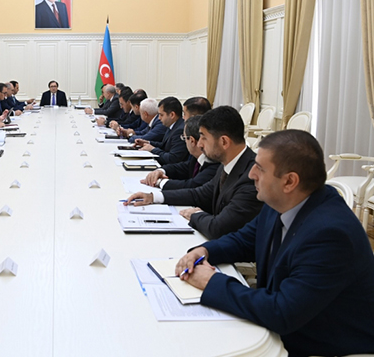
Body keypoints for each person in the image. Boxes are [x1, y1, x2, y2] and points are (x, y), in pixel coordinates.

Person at [175, 130, 374, 357]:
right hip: (286, 325)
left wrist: (211, 282)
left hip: (322, 345)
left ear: (289, 181)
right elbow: (245, 240)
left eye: (260, 168)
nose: (251, 174)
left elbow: (282, 312)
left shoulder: (330, 234)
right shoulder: (283, 201)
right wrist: (204, 250)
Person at [126, 106, 263, 239]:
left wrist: (196, 215)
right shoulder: (229, 162)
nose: (200, 144)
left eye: (204, 137)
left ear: (224, 142)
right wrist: (153, 197)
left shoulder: (252, 176)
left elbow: (218, 228)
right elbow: (199, 194)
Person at [141, 115, 219, 190]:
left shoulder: (213, 162)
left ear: (192, 141)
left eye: (184, 138)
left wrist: (159, 182)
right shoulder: (196, 158)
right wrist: (161, 171)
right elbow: (183, 167)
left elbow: (193, 186)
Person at [136, 97, 188, 165]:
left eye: (161, 115)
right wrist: (148, 143)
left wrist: (153, 149)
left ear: (172, 115)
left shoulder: (180, 130)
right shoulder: (172, 125)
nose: (159, 118)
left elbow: (172, 158)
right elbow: (164, 145)